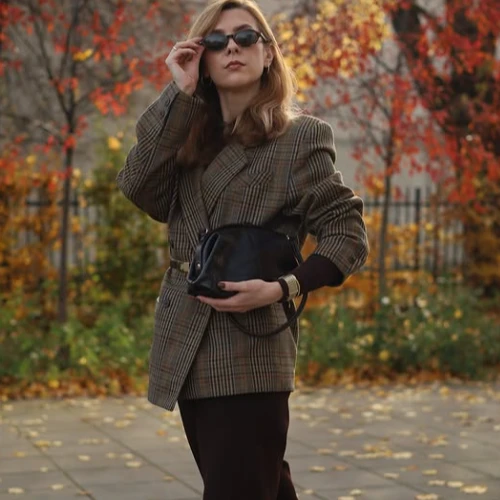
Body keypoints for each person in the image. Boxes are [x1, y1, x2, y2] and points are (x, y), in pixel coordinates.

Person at [117, 0, 368, 498]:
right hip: (185, 336)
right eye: (216, 40)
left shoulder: (299, 137)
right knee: (261, 486)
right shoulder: (188, 137)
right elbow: (137, 186)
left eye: (246, 37)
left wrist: (281, 288)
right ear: (202, 57)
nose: (232, 47)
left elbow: (347, 233)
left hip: (249, 344)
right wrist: (179, 93)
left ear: (268, 52)